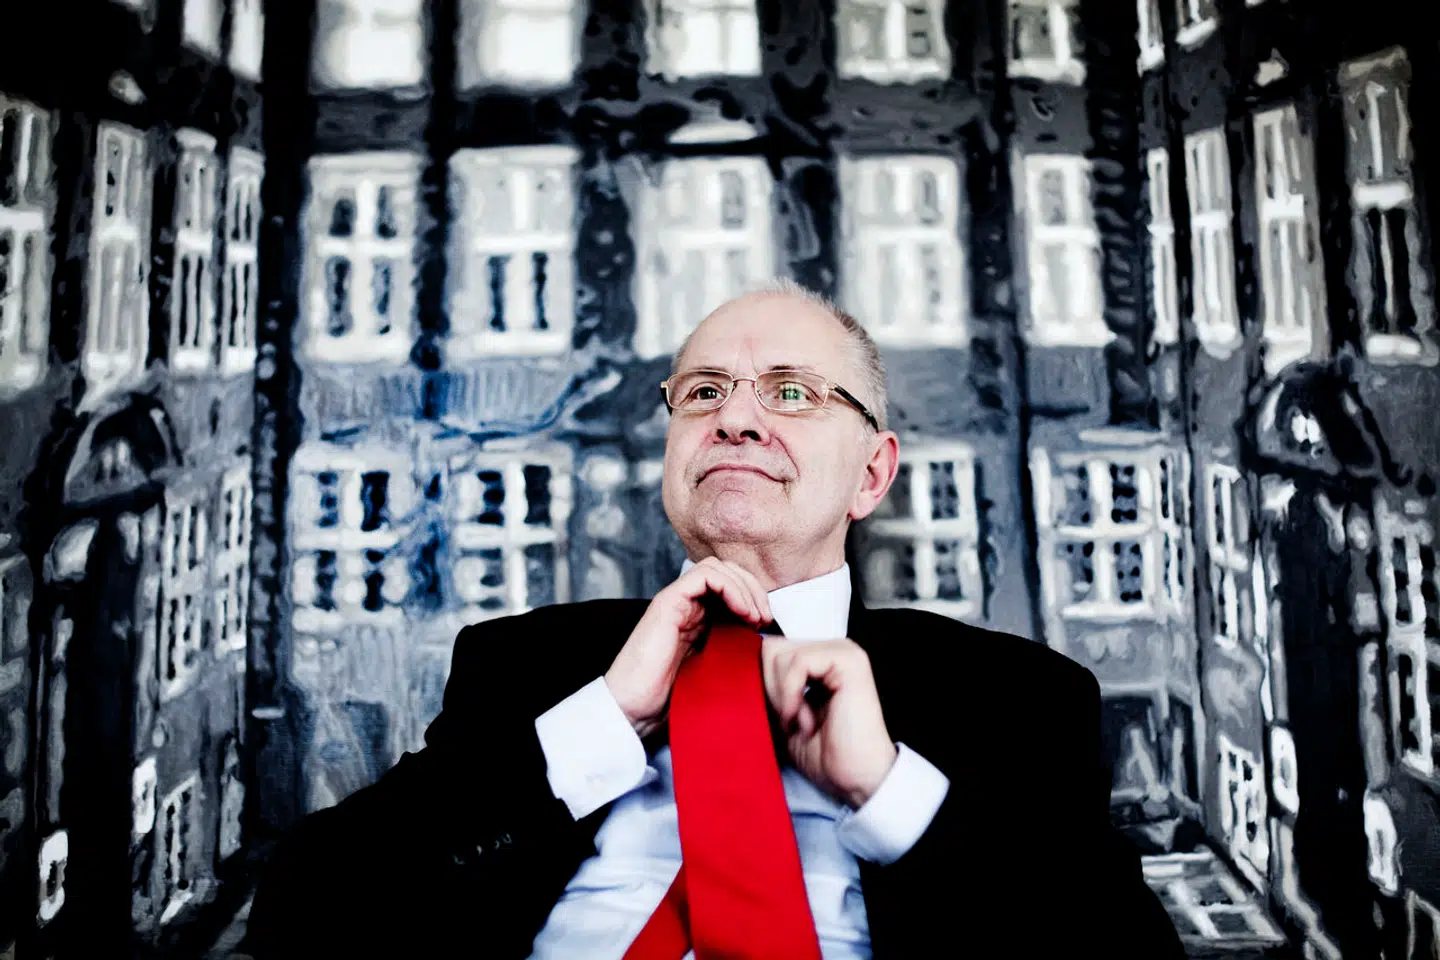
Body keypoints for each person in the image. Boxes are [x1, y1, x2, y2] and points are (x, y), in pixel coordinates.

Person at [244, 280, 1185, 959]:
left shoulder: (1019, 695)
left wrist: (888, 791)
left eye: (791, 393)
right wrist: (600, 725)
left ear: (872, 475)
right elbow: (302, 915)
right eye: (702, 392)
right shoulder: (523, 663)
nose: (734, 419)